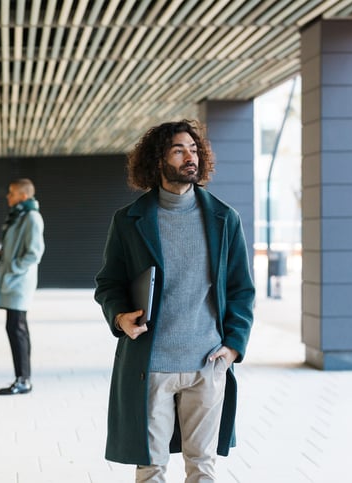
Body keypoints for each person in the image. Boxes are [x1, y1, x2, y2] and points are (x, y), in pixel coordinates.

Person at [94, 120, 255, 482]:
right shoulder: (129, 221)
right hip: (152, 364)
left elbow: (242, 289)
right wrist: (120, 317)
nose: (190, 157)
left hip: (207, 364)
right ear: (157, 161)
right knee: (151, 468)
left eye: (194, 149)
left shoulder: (224, 219)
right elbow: (109, 283)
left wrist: (233, 347)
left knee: (202, 467)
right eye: (179, 150)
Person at [0, 178, 45, 396]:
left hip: (19, 281)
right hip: (13, 279)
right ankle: (23, 378)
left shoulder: (32, 217)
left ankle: (23, 380)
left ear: (23, 196)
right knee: (17, 328)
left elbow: (34, 253)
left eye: (11, 193)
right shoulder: (18, 216)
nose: (7, 197)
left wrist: (12, 266)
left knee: (16, 328)